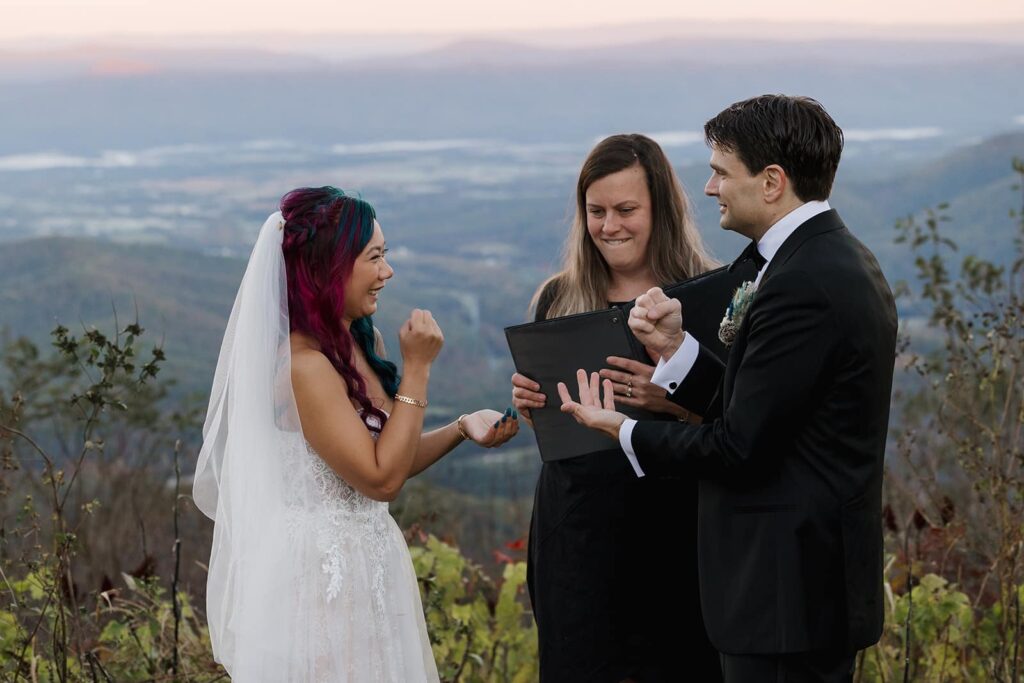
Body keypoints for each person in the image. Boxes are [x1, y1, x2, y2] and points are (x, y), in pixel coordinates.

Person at [559, 95, 898, 682]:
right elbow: (767, 407)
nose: (711, 188)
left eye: (721, 171)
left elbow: (739, 447)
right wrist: (677, 351)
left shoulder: (804, 282)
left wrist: (623, 429)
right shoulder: (819, 261)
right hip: (791, 595)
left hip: (786, 597)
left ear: (771, 182)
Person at [193, 186, 519, 681]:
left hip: (371, 561)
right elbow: (380, 480)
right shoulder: (304, 368)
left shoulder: (358, 344)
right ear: (330, 267)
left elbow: (390, 456)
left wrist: (461, 427)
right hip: (322, 579)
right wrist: (417, 369)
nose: (387, 273)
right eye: (375, 257)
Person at [511, 134, 723, 682]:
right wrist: (530, 403)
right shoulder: (558, 296)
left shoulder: (707, 296)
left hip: (673, 532)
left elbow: (736, 423)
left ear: (662, 211)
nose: (610, 226)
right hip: (576, 531)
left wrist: (669, 396)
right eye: (596, 212)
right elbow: (550, 414)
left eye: (627, 210)